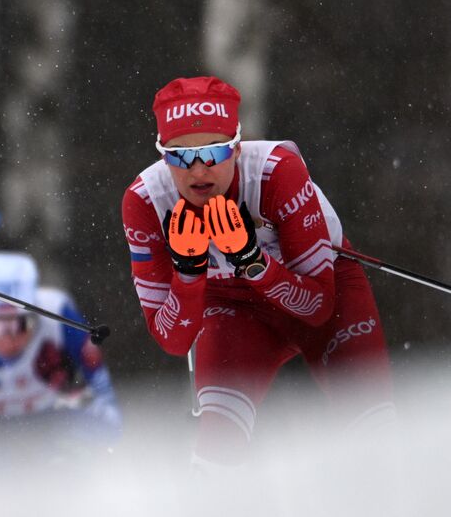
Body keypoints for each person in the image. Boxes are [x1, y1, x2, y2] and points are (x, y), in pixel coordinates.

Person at [121, 76, 395, 469]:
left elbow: (318, 306)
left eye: (214, 151)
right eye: (180, 155)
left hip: (327, 293)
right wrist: (187, 273)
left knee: (375, 433)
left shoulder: (275, 172)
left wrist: (252, 259)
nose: (198, 170)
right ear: (162, 156)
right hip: (233, 309)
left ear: (236, 144)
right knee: (214, 452)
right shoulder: (146, 201)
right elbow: (174, 341)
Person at [0, 251, 121, 468]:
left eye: (22, 324)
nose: (11, 336)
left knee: (71, 461)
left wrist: (101, 432)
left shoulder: (58, 313)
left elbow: (101, 390)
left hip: (47, 418)